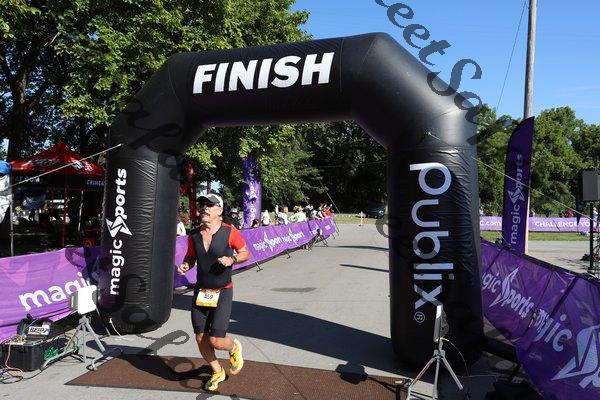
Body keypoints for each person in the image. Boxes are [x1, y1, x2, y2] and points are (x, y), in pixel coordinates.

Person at [177, 193, 250, 392]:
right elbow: (191, 257)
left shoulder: (229, 231)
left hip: (223, 291)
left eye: (210, 205)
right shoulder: (194, 234)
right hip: (202, 291)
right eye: (202, 204)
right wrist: (186, 264)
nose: (204, 208)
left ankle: (233, 347)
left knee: (216, 341)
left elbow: (245, 252)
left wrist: (232, 259)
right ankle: (218, 371)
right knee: (200, 338)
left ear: (220, 210)